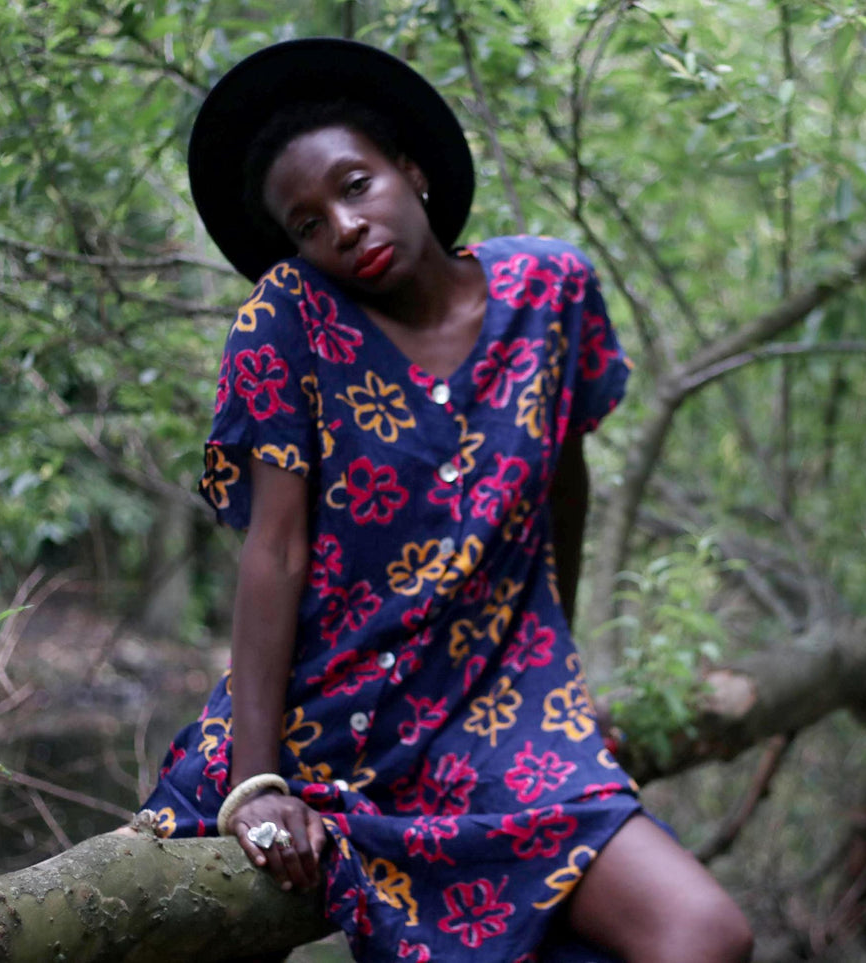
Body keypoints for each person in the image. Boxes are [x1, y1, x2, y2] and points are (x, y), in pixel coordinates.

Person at [142, 38, 753, 963]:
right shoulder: (288, 318)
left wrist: (554, 684)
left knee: (705, 933)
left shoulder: (549, 291)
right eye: (307, 223)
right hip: (326, 724)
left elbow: (564, 488)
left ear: (412, 171)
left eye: (355, 185)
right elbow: (274, 550)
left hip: (492, 727)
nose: (343, 226)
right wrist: (257, 783)